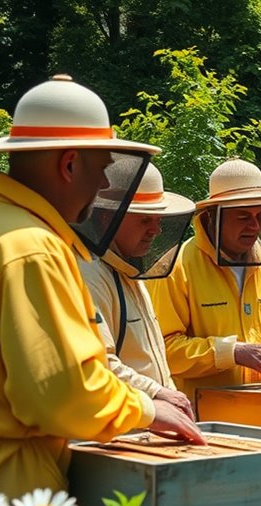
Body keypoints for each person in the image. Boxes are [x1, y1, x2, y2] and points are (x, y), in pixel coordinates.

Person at [0, 75, 203, 496]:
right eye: (101, 171)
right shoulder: (32, 247)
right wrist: (146, 408)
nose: (101, 187)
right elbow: (60, 396)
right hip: (9, 488)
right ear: (70, 164)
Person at [148, 158, 261, 403]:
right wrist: (230, 352)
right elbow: (164, 351)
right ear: (214, 216)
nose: (255, 226)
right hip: (200, 417)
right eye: (243, 217)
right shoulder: (177, 266)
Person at [79, 162, 196, 417]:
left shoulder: (130, 273)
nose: (156, 230)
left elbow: (153, 360)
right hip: (117, 431)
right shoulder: (88, 274)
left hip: (150, 423)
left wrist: (170, 395)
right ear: (108, 217)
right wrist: (156, 393)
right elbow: (98, 364)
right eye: (145, 219)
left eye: (158, 219)